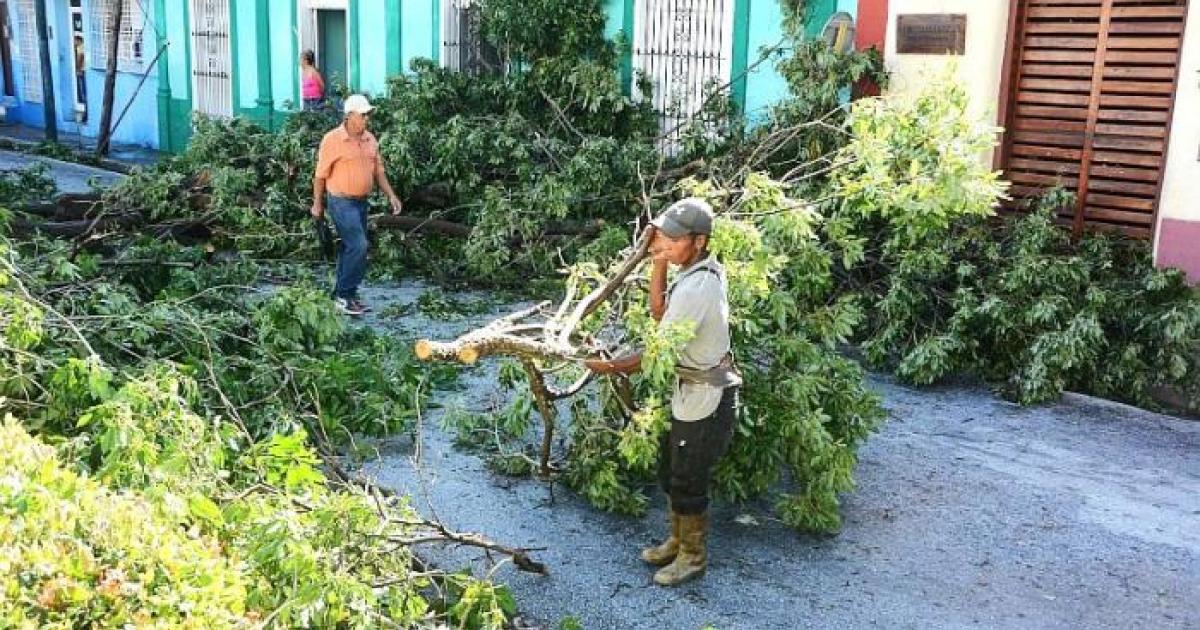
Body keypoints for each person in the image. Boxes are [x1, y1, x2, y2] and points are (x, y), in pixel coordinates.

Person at [585, 198, 742, 586]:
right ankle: (676, 540)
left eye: (675, 238)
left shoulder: (699, 287)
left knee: (689, 480)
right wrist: (657, 259)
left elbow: (657, 352)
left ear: (700, 240)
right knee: (671, 472)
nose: (666, 243)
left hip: (708, 398)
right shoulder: (693, 270)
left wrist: (609, 367)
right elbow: (659, 313)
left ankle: (693, 557)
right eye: (663, 236)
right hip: (689, 390)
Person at [311, 94, 404, 316]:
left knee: (349, 247)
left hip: (361, 202)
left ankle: (343, 295)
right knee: (359, 246)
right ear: (349, 115)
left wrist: (391, 195)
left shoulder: (370, 139)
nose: (366, 119)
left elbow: (378, 171)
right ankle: (345, 295)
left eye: (367, 115)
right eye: (363, 115)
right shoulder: (332, 140)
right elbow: (320, 175)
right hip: (341, 201)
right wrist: (317, 205)